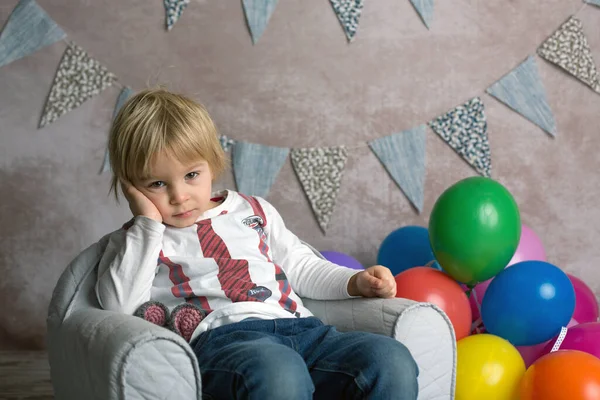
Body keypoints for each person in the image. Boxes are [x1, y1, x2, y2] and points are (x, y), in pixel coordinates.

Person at [95, 87, 419, 399]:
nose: (179, 196)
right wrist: (148, 224)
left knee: (390, 360)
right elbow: (118, 307)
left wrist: (353, 281)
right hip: (224, 344)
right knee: (279, 372)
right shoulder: (140, 240)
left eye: (191, 175)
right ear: (131, 188)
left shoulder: (253, 210)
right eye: (156, 184)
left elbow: (300, 266)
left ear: (211, 162)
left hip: (303, 331)